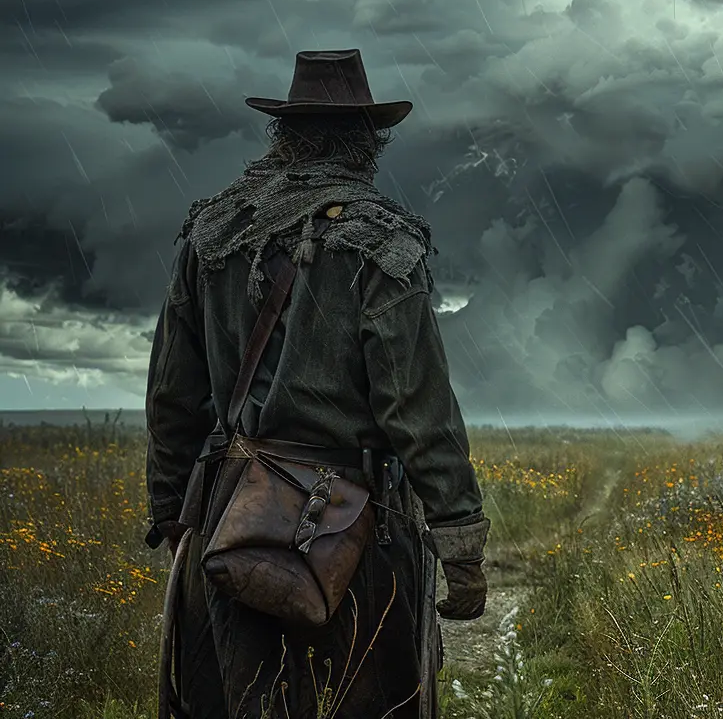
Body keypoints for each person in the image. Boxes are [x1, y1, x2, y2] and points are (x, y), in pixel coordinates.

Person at [142, 49, 489, 719]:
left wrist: (173, 515)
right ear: (368, 141)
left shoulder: (211, 235)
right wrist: (460, 545)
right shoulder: (381, 242)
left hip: (227, 522)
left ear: (285, 134)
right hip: (355, 531)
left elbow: (172, 398)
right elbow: (418, 409)